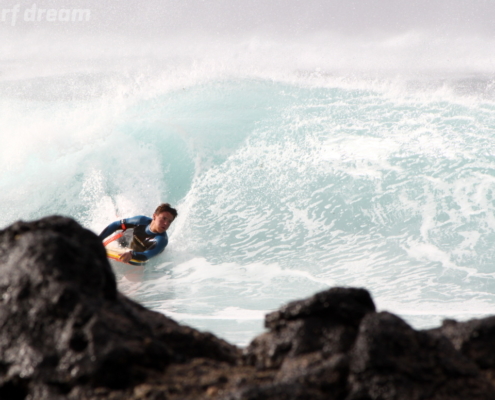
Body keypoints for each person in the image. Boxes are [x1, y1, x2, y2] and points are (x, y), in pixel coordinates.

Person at [99, 203, 177, 264]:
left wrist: (132, 254)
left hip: (137, 253)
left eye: (169, 221)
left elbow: (147, 255)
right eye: (164, 218)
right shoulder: (140, 221)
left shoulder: (161, 240)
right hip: (124, 240)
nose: (166, 223)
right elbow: (116, 224)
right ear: (154, 216)